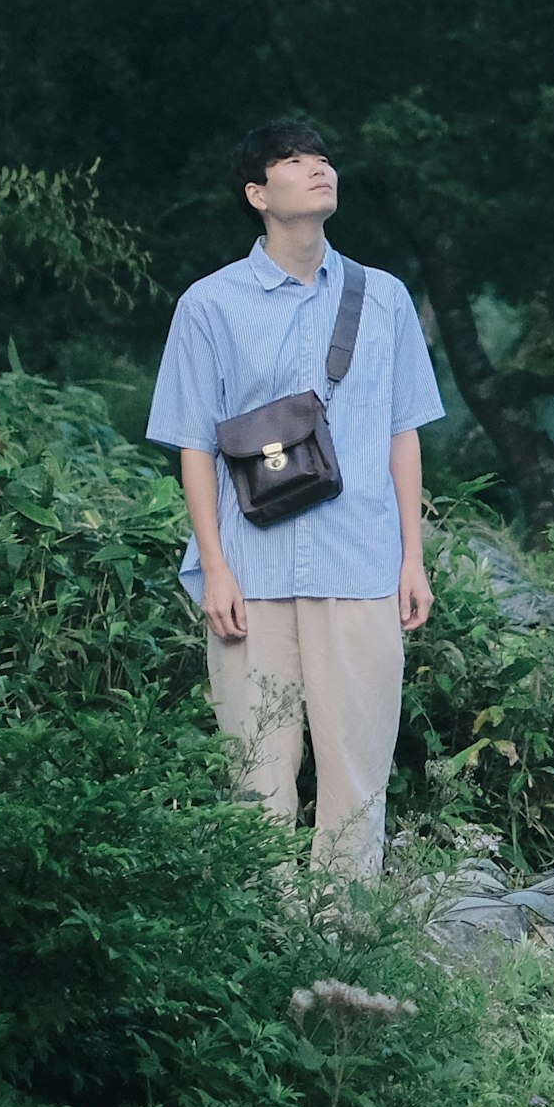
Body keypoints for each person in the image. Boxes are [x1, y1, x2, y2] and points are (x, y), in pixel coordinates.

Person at [144, 120, 444, 876]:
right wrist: (213, 568)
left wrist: (413, 559)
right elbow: (194, 443)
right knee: (258, 777)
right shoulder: (209, 305)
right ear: (257, 194)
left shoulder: (384, 298)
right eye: (294, 161)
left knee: (358, 775)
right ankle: (267, 956)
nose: (318, 169)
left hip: (361, 563)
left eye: (324, 159)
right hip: (253, 568)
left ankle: (348, 962)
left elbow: (403, 432)